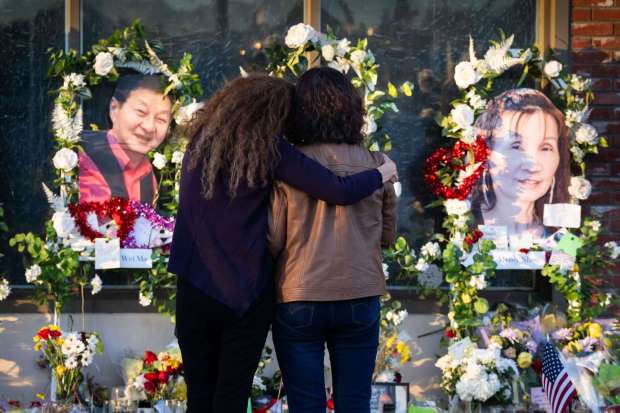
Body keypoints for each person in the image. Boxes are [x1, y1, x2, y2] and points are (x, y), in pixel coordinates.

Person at [167, 74, 398, 413]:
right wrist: (382, 171)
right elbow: (341, 193)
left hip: (198, 285)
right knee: (234, 397)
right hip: (246, 293)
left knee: (201, 396)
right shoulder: (272, 152)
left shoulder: (200, 143)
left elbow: (269, 233)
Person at [268, 67, 398, 413]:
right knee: (354, 403)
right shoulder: (376, 164)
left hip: (299, 292)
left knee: (305, 404)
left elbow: (274, 238)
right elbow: (387, 236)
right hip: (360, 291)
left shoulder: (290, 165)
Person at [471, 88, 570, 244]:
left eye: (546, 147)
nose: (533, 165)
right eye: (516, 146)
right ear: (486, 154)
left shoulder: (563, 237)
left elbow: (574, 265)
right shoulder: (465, 231)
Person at [79, 74, 172, 204]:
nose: (150, 127)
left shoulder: (148, 173)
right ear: (114, 108)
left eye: (161, 119)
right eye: (141, 112)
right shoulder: (80, 153)